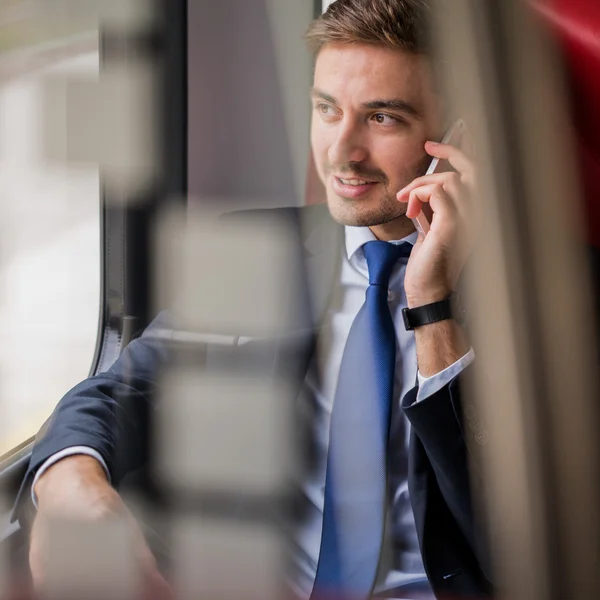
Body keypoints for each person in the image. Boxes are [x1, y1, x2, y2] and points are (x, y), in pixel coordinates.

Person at [13, 1, 491, 598]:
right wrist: (68, 482)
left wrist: (432, 304)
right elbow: (122, 387)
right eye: (326, 110)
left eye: (383, 118)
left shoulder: (545, 298)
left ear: (456, 138)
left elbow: (505, 528)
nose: (343, 151)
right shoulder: (262, 248)